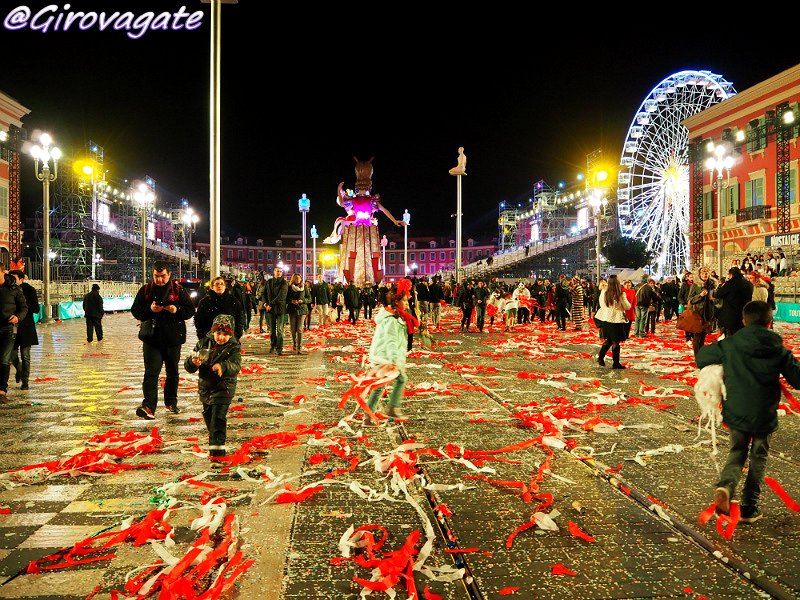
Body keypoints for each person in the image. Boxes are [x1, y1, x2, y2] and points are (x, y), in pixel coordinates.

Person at [699, 301, 800, 523]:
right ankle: (748, 507)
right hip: (764, 412)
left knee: (736, 453)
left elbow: (702, 357)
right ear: (770, 321)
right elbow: (797, 379)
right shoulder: (778, 349)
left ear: (744, 321)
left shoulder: (731, 344)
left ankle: (725, 487)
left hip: (737, 409)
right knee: (758, 458)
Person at [130, 261, 196, 418]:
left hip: (173, 338)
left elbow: (190, 310)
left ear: (169, 275)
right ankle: (149, 406)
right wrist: (150, 310)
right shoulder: (146, 290)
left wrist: (176, 309)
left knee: (172, 372)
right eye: (156, 276)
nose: (159, 280)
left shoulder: (178, 290)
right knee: (151, 372)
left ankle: (171, 401)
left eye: (163, 276)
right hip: (152, 339)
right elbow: (136, 311)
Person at [185, 313, 241, 465]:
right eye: (218, 333)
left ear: (230, 334)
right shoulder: (203, 343)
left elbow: (236, 365)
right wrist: (193, 363)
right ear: (212, 332)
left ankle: (217, 455)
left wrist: (223, 366)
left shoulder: (234, 347)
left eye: (225, 334)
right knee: (209, 418)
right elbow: (188, 364)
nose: (221, 337)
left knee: (218, 419)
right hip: (205, 388)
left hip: (224, 388)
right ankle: (215, 442)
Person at [366, 281, 417, 420]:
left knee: (380, 386)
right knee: (398, 380)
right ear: (396, 301)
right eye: (405, 300)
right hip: (386, 357)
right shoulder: (391, 319)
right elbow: (391, 341)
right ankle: (391, 409)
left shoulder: (397, 315)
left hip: (386, 356)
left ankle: (372, 415)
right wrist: (395, 360)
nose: (407, 304)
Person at [595, 275, 631, 369]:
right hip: (617, 319)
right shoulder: (620, 294)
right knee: (615, 341)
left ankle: (601, 357)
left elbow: (602, 304)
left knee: (609, 340)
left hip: (606, 318)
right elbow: (627, 307)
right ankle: (615, 363)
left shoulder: (604, 292)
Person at [9, 270, 36, 391]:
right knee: (12, 354)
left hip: (26, 327)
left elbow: (35, 308)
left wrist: (22, 307)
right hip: (11, 327)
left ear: (21, 279)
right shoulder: (7, 290)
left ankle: (25, 381)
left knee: (25, 356)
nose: (13, 281)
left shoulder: (29, 290)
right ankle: (19, 370)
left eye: (15, 279)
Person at [715, 266, 753, 338]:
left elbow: (718, 294)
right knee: (742, 337)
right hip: (744, 314)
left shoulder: (730, 283)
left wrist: (721, 287)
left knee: (731, 339)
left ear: (731, 275)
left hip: (731, 316)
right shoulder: (748, 284)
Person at [686, 266, 716, 358]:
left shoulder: (712, 284)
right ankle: (697, 357)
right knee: (697, 335)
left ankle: (701, 356)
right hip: (698, 313)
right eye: (703, 273)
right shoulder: (695, 285)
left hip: (708, 313)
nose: (705, 274)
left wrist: (713, 299)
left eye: (706, 272)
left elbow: (717, 298)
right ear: (699, 274)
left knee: (703, 335)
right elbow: (690, 299)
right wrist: (700, 295)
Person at [262, 266, 288, 355]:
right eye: (277, 271)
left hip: (280, 309)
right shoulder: (269, 282)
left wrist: (270, 304)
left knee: (280, 329)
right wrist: (265, 303)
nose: (279, 272)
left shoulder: (284, 283)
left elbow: (281, 296)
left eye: (280, 271)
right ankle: (273, 345)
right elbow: (263, 293)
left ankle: (279, 348)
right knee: (272, 330)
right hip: (270, 310)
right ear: (274, 272)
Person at [286, 272, 310, 354]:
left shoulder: (304, 287)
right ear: (293, 279)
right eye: (296, 278)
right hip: (292, 310)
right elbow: (286, 298)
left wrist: (303, 301)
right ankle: (294, 344)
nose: (297, 280)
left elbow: (309, 298)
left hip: (302, 310)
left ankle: (299, 347)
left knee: (299, 329)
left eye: (299, 278)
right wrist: (291, 301)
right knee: (293, 329)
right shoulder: (289, 287)